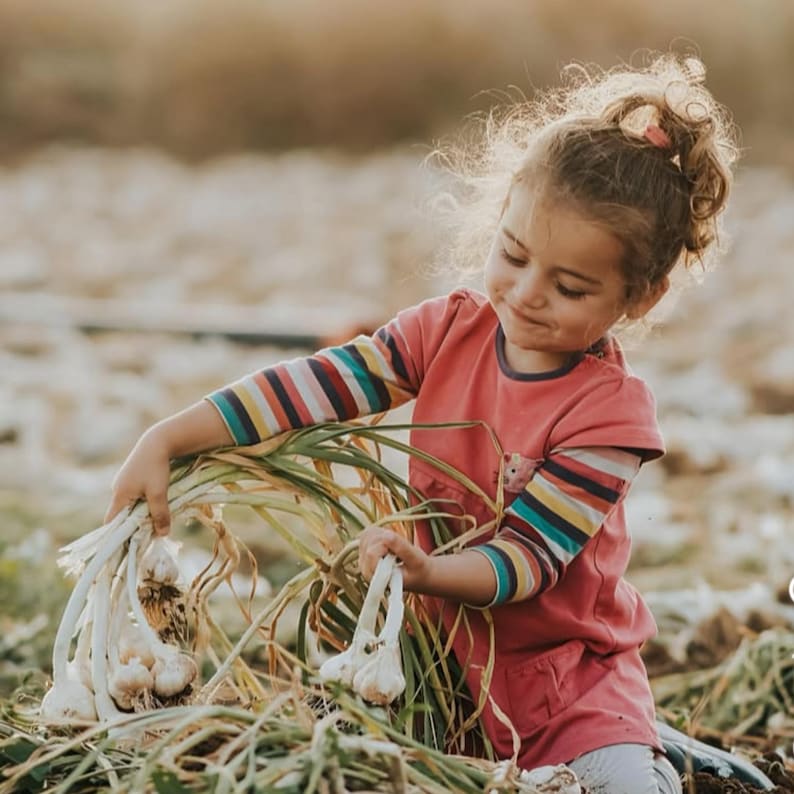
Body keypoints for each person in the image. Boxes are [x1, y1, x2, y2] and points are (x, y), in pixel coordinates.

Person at [105, 54, 739, 794]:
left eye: (569, 286)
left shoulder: (609, 419)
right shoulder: (447, 332)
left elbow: (528, 558)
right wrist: (170, 437)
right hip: (432, 672)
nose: (526, 294)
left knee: (620, 785)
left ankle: (646, 749)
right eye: (512, 254)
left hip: (564, 693)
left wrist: (431, 572)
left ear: (643, 297)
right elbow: (314, 387)